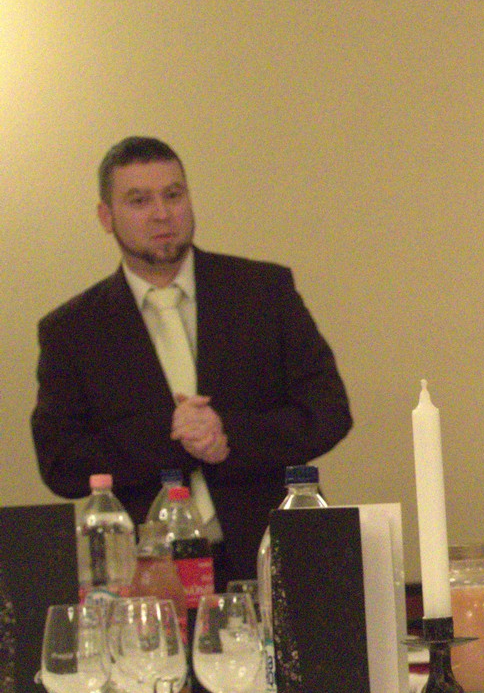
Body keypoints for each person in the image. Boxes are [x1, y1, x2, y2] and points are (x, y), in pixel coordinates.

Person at [32, 136, 352, 583]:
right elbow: (61, 463)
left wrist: (227, 432)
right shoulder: (73, 329)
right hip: (147, 575)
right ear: (106, 217)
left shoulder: (262, 292)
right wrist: (173, 435)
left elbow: (329, 411)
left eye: (173, 195)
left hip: (275, 558)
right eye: (139, 200)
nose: (162, 213)